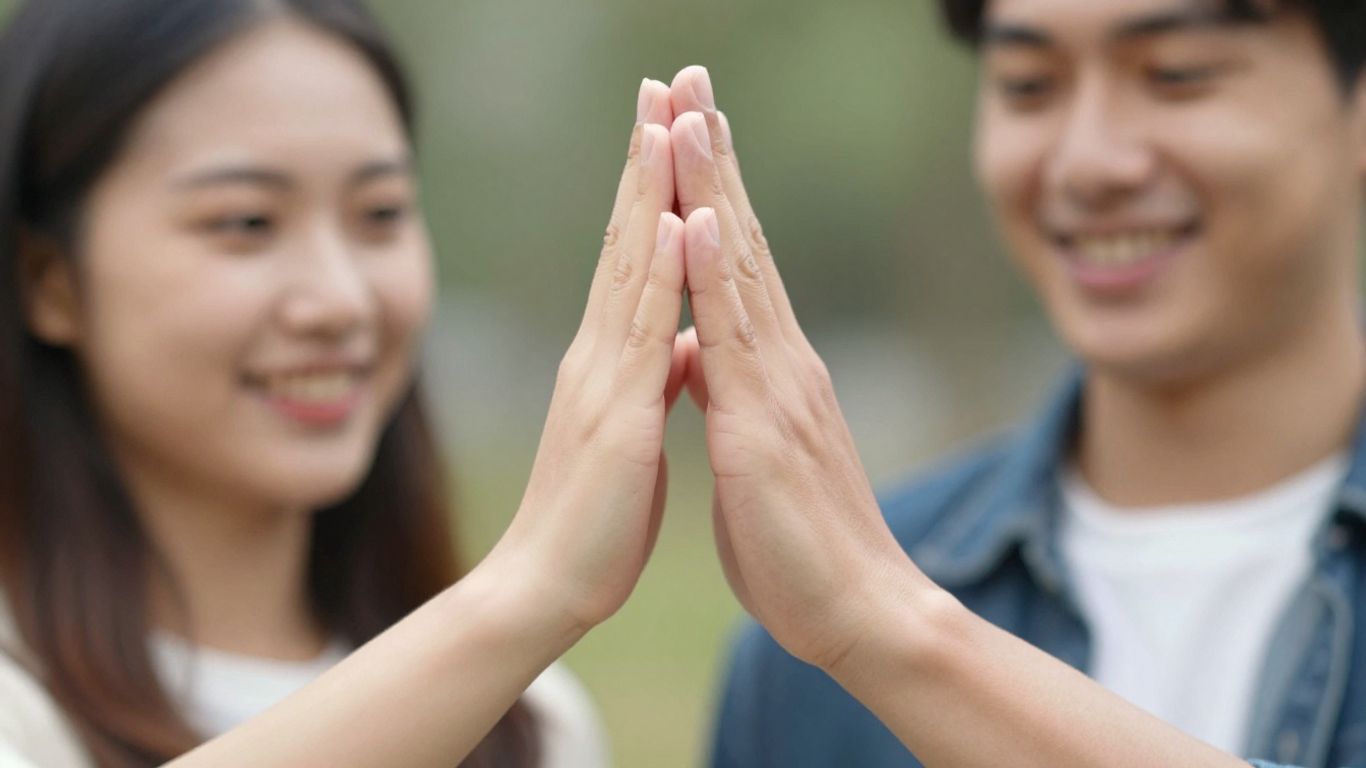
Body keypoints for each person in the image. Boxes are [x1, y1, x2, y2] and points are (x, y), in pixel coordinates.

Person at [0, 1, 693, 765]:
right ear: (49, 280)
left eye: (381, 213)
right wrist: (523, 596)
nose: (340, 299)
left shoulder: (533, 722)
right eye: (246, 222)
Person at [690, 0, 1366, 766]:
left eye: (1178, 76)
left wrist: (903, 644)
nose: (1087, 163)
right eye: (1028, 85)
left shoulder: (862, 618)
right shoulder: (809, 653)